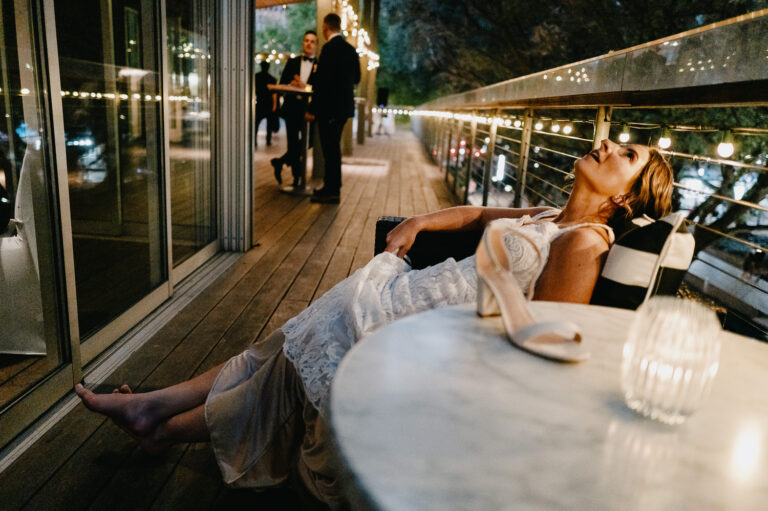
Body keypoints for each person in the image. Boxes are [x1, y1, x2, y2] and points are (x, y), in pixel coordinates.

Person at [75, 140, 673, 508]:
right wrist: (419, 220)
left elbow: (537, 332)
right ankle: (157, 413)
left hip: (436, 326)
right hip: (416, 296)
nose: (605, 144)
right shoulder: (551, 213)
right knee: (294, 337)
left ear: (625, 198)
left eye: (625, 155)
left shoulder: (584, 242)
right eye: (614, 141)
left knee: (307, 336)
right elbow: (477, 211)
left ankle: (159, 417)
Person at [305, 13, 361, 204]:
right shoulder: (351, 50)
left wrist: (312, 108)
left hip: (329, 109)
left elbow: (321, 83)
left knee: (330, 150)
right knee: (333, 148)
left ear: (326, 27)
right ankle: (332, 187)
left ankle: (331, 189)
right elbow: (357, 78)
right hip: (343, 109)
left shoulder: (329, 49)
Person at [271, 30, 318, 187]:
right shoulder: (292, 62)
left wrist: (305, 86)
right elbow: (282, 83)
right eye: (306, 40)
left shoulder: (320, 65)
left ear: (316, 45)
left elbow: (320, 88)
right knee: (292, 143)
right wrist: (292, 84)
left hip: (309, 109)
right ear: (302, 43)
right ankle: (297, 178)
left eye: (312, 41)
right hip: (292, 107)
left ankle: (280, 161)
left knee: (309, 141)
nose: (308, 43)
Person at [254, 61, 277, 147]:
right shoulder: (272, 78)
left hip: (260, 102)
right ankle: (268, 140)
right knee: (269, 124)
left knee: (256, 122)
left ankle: (254, 140)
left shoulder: (256, 77)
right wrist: (274, 105)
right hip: (268, 102)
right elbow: (274, 93)